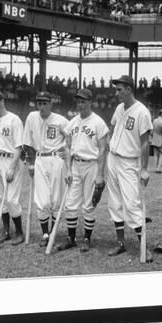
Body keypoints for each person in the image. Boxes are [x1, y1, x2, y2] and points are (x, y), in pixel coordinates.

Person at [106, 76, 153, 262]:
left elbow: (144, 143)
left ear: (129, 89)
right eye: (116, 89)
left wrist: (143, 169)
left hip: (129, 162)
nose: (116, 93)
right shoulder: (119, 108)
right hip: (113, 158)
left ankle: (143, 247)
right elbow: (114, 128)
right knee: (114, 203)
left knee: (132, 205)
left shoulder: (142, 112)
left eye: (119, 89)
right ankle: (120, 243)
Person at [58, 89, 109, 252]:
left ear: (90, 102)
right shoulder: (71, 122)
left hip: (91, 165)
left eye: (83, 101)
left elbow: (102, 149)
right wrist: (68, 169)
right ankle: (71, 239)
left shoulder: (98, 123)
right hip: (75, 165)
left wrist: (100, 174)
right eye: (78, 101)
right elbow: (67, 147)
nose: (80, 105)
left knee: (88, 204)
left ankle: (87, 238)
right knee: (70, 204)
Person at [23, 91, 72, 248]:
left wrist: (68, 149)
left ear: (51, 104)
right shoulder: (31, 117)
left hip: (57, 160)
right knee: (42, 200)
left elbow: (71, 137)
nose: (41, 106)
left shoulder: (61, 120)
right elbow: (27, 142)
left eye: (45, 103)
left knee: (56, 199)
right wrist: (30, 163)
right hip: (39, 159)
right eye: (39, 103)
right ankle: (45, 233)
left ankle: (52, 233)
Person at [0, 90, 25, 245]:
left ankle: (20, 232)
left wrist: (12, 167)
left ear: (2, 101)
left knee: (11, 199)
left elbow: (18, 146)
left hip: (10, 159)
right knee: (0, 197)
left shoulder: (14, 119)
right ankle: (7, 230)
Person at [150, 109, 162, 173]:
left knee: (156, 155)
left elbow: (151, 132)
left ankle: (155, 168)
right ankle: (158, 168)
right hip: (161, 141)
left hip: (154, 140)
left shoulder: (154, 121)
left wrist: (153, 138)